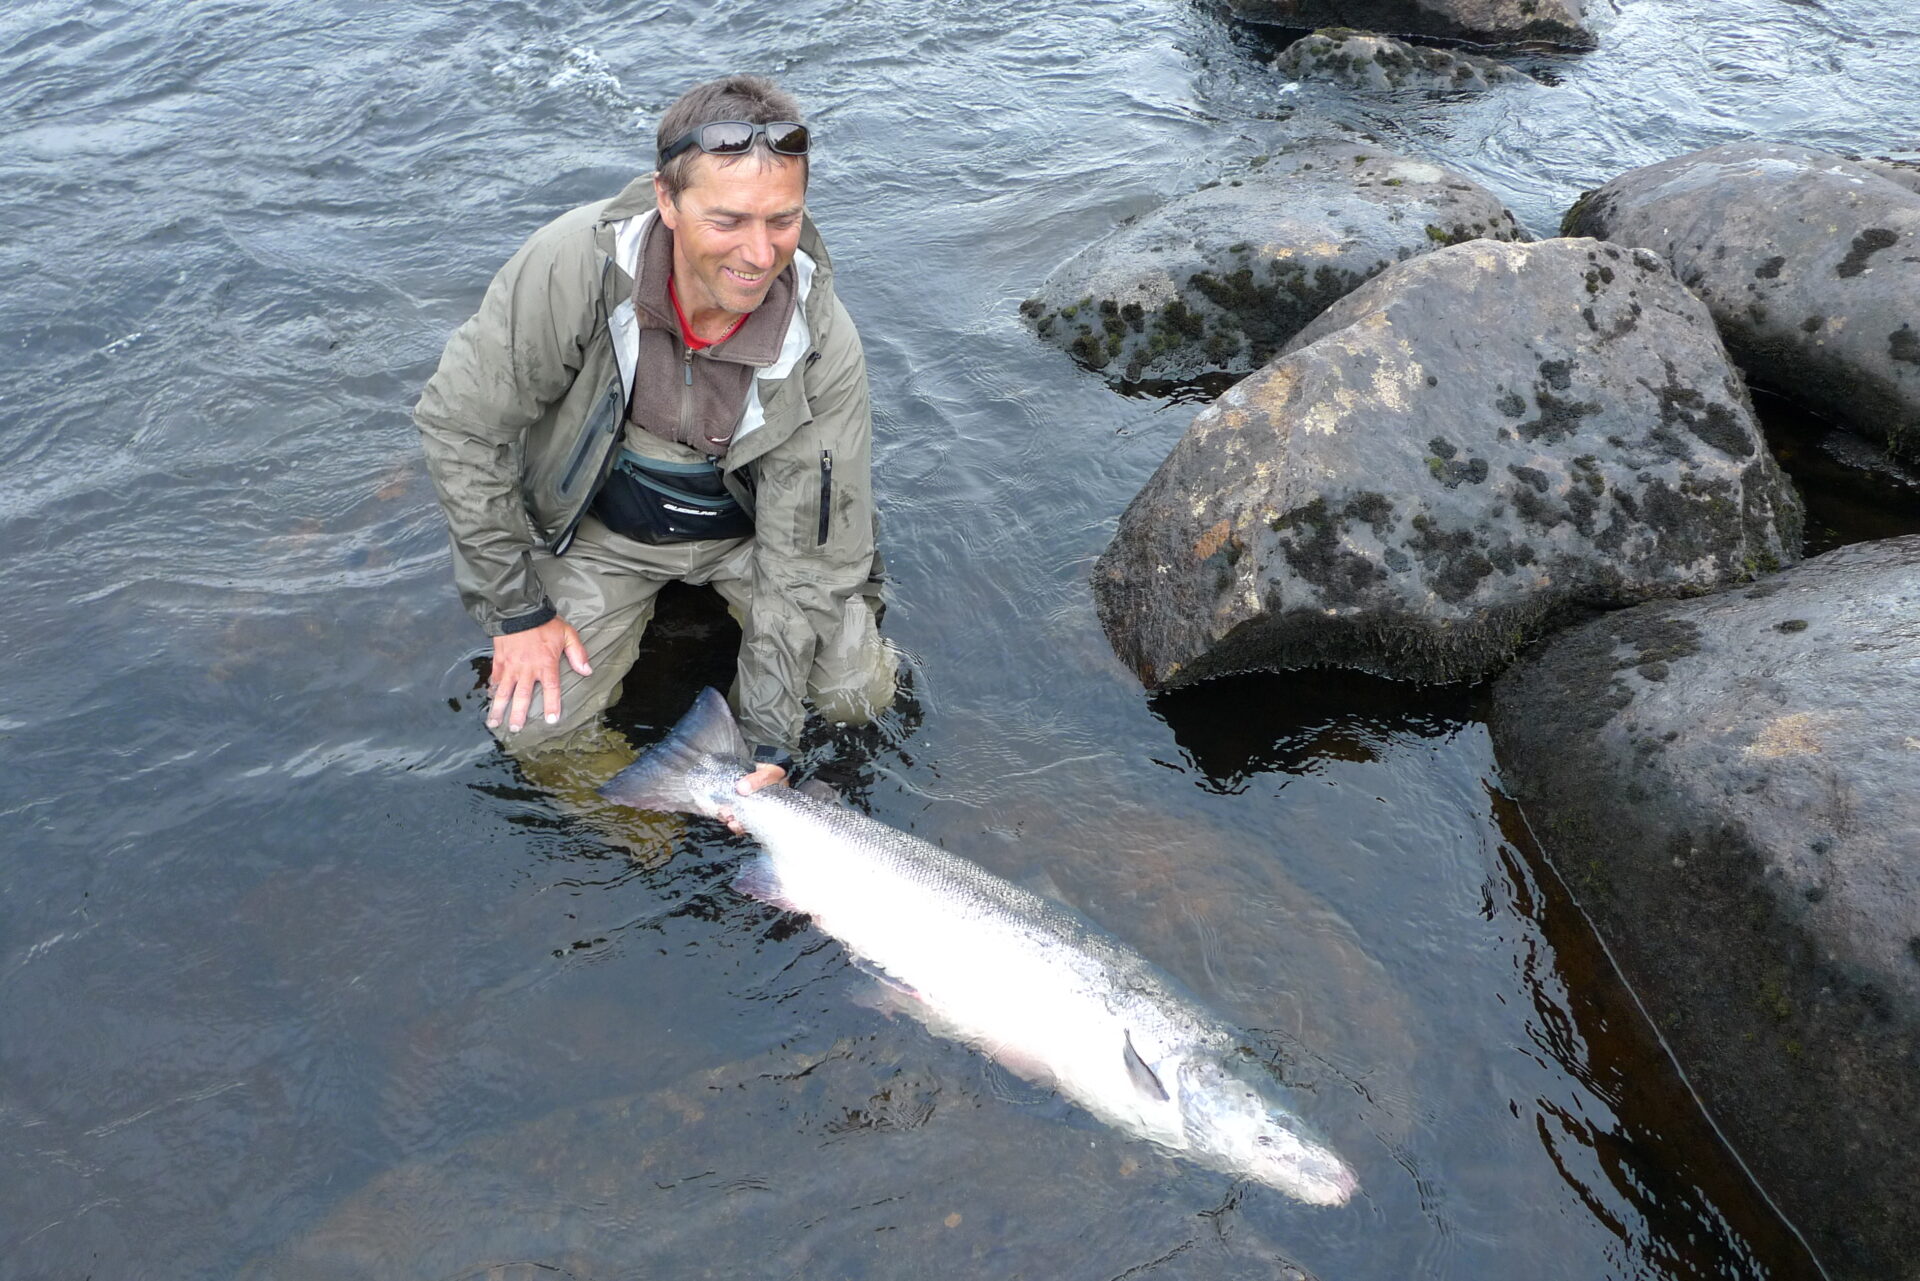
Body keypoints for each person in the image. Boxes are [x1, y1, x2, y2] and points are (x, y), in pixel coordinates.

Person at [415, 75, 895, 817]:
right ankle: (647, 831)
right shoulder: (574, 266)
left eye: (784, 219)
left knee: (857, 695)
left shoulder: (823, 340)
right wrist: (517, 613)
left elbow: (807, 556)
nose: (759, 252)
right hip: (606, 530)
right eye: (728, 219)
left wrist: (767, 743)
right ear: (666, 201)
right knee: (532, 728)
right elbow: (461, 424)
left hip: (752, 538)